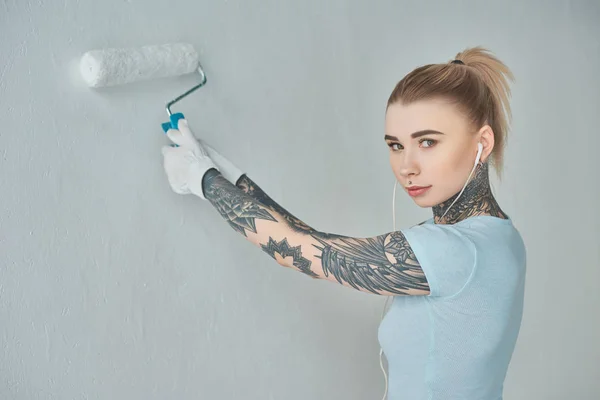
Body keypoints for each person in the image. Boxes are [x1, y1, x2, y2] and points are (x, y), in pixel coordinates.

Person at [160, 46, 527, 400]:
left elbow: (301, 251)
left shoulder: (452, 251)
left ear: (482, 142)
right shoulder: (497, 236)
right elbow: (312, 239)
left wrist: (205, 182)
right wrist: (229, 175)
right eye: (395, 145)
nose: (407, 166)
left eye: (427, 142)